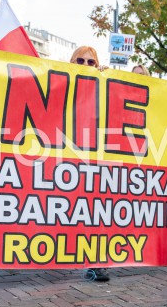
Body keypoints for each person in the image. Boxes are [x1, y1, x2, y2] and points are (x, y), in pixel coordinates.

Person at [70, 45, 109, 282]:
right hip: (61, 160)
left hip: (94, 159)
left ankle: (96, 262)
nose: (85, 66)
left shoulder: (105, 83)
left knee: (94, 211)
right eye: (80, 61)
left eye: (91, 62)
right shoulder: (56, 82)